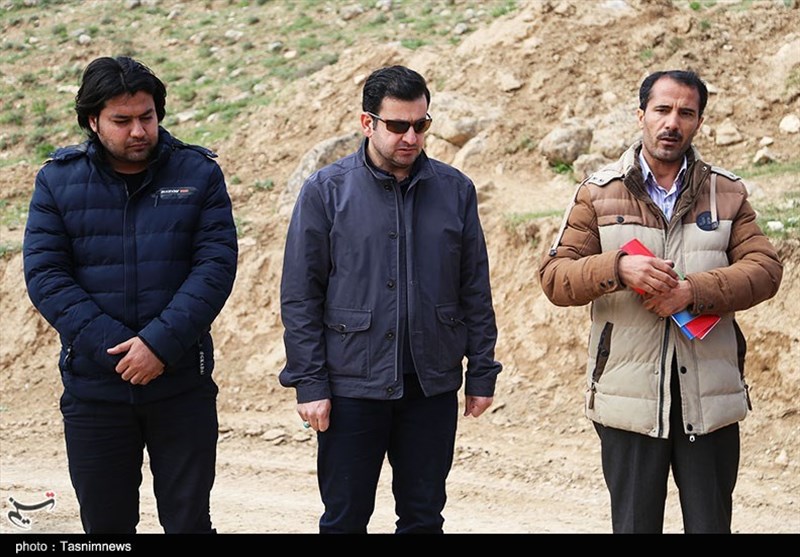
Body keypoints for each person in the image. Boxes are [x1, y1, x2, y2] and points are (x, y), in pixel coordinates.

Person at [539, 70, 782, 533]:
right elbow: (555, 277)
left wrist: (693, 291)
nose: (672, 123)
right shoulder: (599, 192)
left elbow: (766, 270)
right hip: (629, 400)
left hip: (709, 401)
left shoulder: (727, 192)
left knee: (711, 527)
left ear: (699, 122)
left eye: (685, 113)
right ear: (641, 115)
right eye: (662, 110)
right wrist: (617, 268)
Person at [279, 65, 502, 534]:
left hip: (430, 386)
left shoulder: (456, 190)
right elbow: (300, 297)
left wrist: (482, 371)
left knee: (424, 518)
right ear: (368, 123)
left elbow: (474, 289)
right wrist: (310, 383)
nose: (411, 137)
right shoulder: (325, 191)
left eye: (421, 124)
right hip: (351, 386)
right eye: (398, 126)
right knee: (344, 520)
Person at [23, 56, 238, 534]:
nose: (139, 131)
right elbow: (46, 276)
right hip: (95, 391)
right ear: (92, 121)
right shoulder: (57, 181)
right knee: (106, 528)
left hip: (180, 386)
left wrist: (158, 346)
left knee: (189, 524)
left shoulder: (198, 173)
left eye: (147, 117)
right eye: (122, 121)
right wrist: (118, 351)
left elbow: (215, 268)